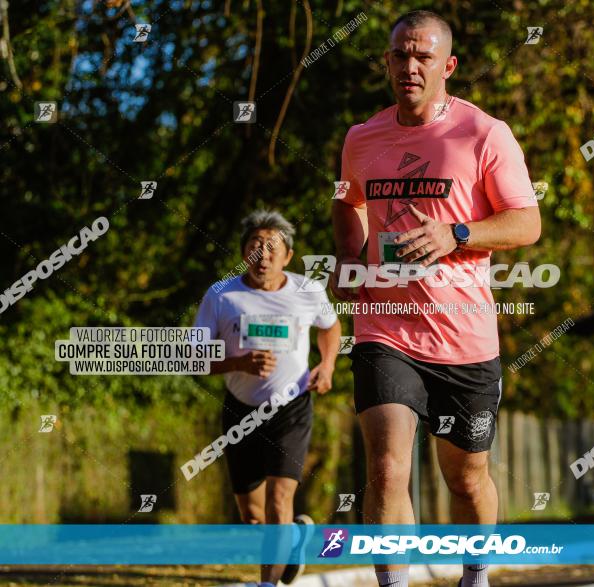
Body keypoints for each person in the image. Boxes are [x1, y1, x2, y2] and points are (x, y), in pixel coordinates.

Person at [331, 10, 541, 587]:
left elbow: (527, 223)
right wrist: (350, 260)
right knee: (386, 467)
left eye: (423, 56)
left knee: (467, 477)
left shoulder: (484, 134)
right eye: (400, 55)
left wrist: (458, 234)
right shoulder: (362, 138)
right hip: (385, 328)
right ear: (387, 62)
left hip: (464, 335)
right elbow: (346, 202)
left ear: (447, 65)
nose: (410, 66)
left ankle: (475, 577)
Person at [195, 210, 341, 585]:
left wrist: (327, 365)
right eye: (255, 246)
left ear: (288, 256)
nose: (263, 255)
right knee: (254, 516)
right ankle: (294, 539)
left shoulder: (307, 291)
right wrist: (237, 361)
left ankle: (267, 582)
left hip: (291, 408)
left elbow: (330, 326)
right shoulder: (221, 295)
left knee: (279, 502)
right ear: (243, 252)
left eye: (272, 247)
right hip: (240, 411)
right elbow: (195, 360)